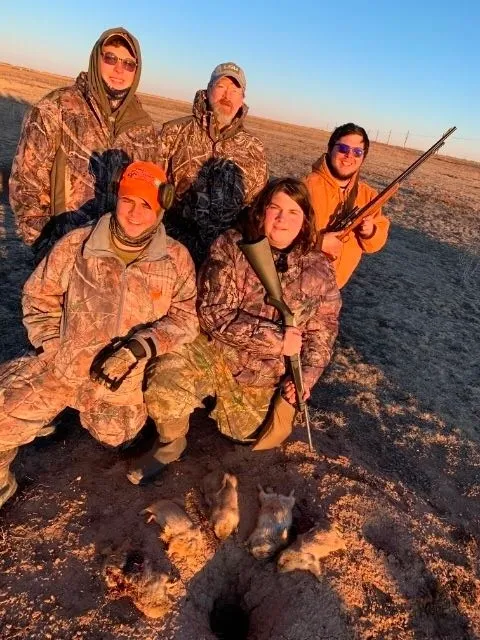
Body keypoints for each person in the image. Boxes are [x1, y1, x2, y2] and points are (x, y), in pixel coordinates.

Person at [0, 161, 198, 509]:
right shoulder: (77, 244)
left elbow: (184, 319)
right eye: (128, 201)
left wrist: (139, 347)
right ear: (116, 198)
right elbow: (38, 297)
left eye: (146, 205)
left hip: (122, 379)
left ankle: (80, 416)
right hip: (62, 365)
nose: (135, 213)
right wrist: (52, 345)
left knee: (115, 434)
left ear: (161, 208)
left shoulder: (176, 260)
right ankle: (3, 486)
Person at [128, 178, 341, 485]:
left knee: (246, 434)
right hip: (213, 350)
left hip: (262, 372)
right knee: (165, 379)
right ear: (261, 212)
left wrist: (304, 378)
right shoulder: (230, 246)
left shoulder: (319, 268)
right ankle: (170, 442)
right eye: (275, 209)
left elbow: (324, 329)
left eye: (294, 212)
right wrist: (278, 339)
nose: (282, 219)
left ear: (305, 219)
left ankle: (219, 407)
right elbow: (213, 312)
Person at [9, 27, 158, 256]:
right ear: (96, 58)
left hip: (118, 263)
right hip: (64, 259)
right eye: (111, 58)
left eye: (129, 63)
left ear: (137, 71)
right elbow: (24, 186)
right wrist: (47, 250)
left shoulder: (145, 128)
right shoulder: (55, 109)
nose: (119, 69)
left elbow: (149, 201)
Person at [159, 61, 268, 266]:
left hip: (223, 258)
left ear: (242, 98)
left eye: (235, 90)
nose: (227, 96)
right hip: (171, 251)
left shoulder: (254, 149)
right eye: (221, 87)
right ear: (208, 90)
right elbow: (152, 189)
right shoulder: (173, 133)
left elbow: (256, 210)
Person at [304, 123, 390, 288]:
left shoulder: (369, 196)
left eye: (357, 152)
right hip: (298, 282)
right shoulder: (305, 187)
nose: (349, 156)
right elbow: (279, 234)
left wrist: (370, 232)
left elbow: (376, 244)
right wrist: (318, 242)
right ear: (330, 149)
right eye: (343, 148)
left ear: (363, 158)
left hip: (334, 289)